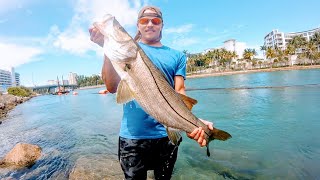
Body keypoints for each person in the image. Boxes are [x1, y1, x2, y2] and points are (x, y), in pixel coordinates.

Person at [89, 5, 214, 180]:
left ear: (162, 25)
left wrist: (195, 123)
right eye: (143, 20)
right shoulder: (128, 51)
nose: (149, 24)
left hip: (167, 137)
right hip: (132, 137)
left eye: (155, 21)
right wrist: (106, 46)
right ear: (138, 26)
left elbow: (179, 91)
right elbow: (111, 87)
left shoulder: (177, 56)